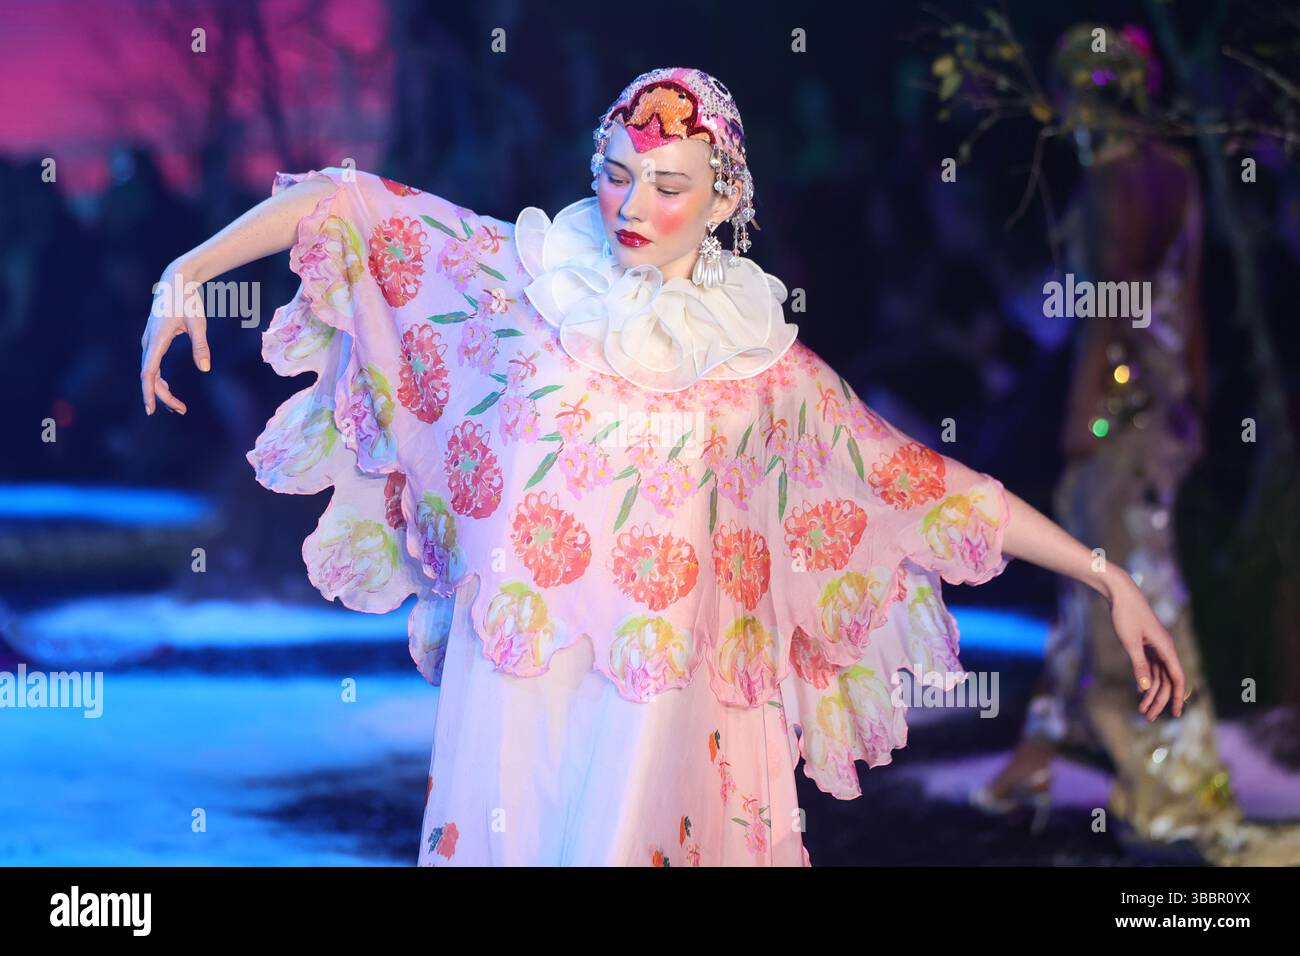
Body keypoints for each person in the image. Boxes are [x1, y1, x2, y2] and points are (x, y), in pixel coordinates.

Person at [140, 67, 1185, 866]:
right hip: (519, 696)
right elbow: (350, 204)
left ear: (723, 197)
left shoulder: (763, 369)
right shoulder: (528, 282)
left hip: (664, 722)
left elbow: (921, 483)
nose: (634, 201)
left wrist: (1106, 573)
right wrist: (187, 267)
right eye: (617, 171)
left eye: (668, 183)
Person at [970, 27, 1300, 866]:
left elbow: (1111, 308)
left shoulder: (1120, 181)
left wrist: (1088, 415)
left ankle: (1178, 791)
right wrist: (1189, 404)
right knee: (1104, 581)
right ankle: (1046, 755)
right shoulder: (1177, 173)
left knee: (1134, 591)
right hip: (1165, 409)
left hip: (1122, 413)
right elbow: (1182, 307)